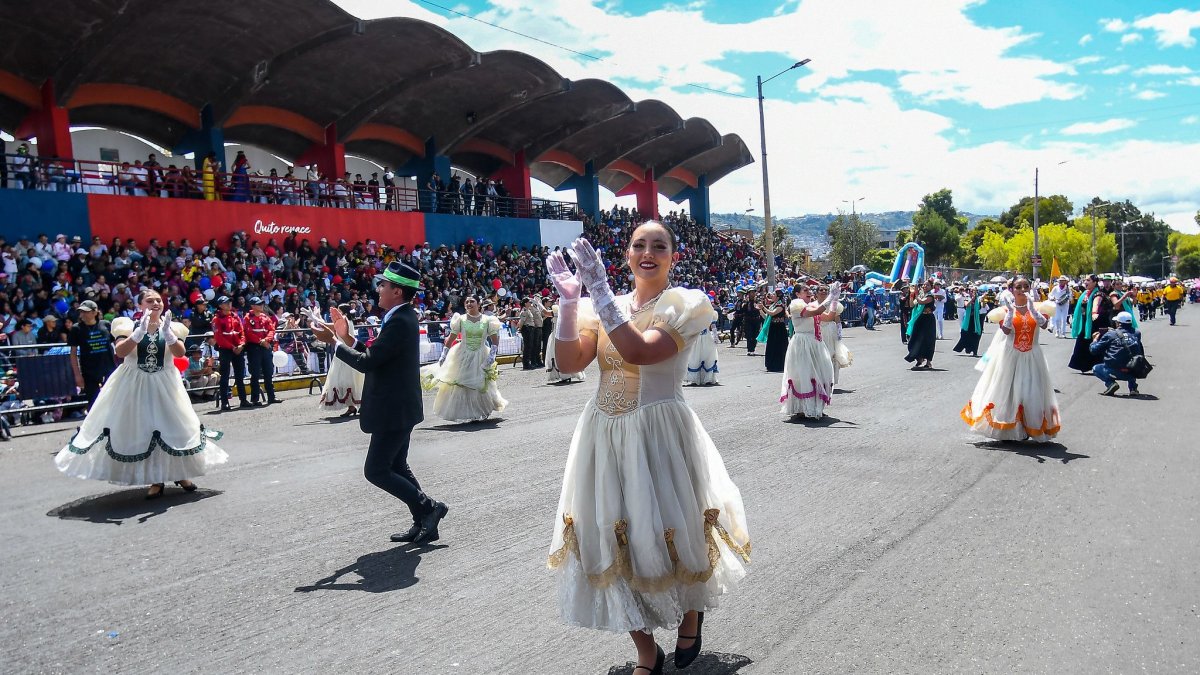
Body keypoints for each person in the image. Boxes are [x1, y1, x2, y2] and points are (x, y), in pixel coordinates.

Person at [544, 226, 750, 674]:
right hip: (603, 435)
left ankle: (691, 610)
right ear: (627, 254)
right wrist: (569, 303)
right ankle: (646, 651)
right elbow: (569, 363)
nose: (648, 252)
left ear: (673, 256)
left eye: (659, 246)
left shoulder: (683, 304)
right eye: (639, 244)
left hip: (659, 434)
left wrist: (598, 290)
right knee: (606, 536)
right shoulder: (606, 305)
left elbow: (639, 351)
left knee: (667, 530)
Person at [310, 261, 448, 545]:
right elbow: (377, 356)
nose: (379, 289)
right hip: (399, 406)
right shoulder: (401, 316)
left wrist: (334, 343)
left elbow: (368, 363)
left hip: (394, 408)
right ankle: (425, 521)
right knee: (396, 466)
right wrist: (345, 337)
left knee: (376, 470)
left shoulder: (400, 320)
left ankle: (429, 508)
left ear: (397, 291)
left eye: (383, 285)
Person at [54, 290, 228, 499]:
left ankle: (180, 474)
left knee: (174, 427)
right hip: (135, 383)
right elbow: (120, 352)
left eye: (158, 300)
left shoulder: (173, 326)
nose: (155, 303)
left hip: (166, 383)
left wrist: (168, 334)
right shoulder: (127, 325)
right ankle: (156, 479)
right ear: (140, 305)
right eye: (149, 300)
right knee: (146, 429)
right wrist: (138, 334)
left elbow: (180, 353)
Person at [962, 277, 1060, 442]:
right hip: (1010, 355)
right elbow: (1006, 330)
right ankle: (1008, 428)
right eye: (1018, 287)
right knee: (1008, 391)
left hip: (1032, 355)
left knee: (1030, 391)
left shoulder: (1040, 307)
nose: (1022, 290)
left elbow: (1044, 325)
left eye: (1026, 286)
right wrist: (1010, 311)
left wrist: (1032, 309)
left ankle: (1028, 427)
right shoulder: (1003, 310)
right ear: (1012, 290)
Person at [421, 296, 507, 423]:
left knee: (479, 383)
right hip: (462, 354)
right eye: (467, 302)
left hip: (481, 354)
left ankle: (480, 410)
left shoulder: (488, 320)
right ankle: (467, 411)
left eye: (472, 301)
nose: (469, 304)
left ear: (479, 304)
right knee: (462, 383)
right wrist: (444, 354)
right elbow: (451, 338)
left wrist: (492, 355)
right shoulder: (460, 319)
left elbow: (495, 340)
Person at [781, 284, 838, 419]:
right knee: (804, 374)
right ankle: (803, 408)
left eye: (809, 290)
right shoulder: (796, 304)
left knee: (819, 373)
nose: (809, 292)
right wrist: (830, 296)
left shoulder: (811, 306)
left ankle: (814, 407)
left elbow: (829, 317)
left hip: (815, 343)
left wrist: (835, 300)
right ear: (797, 294)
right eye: (805, 290)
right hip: (803, 343)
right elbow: (815, 312)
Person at [68, 300, 116, 411]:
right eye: (81, 312)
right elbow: (73, 353)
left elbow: (117, 344)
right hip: (89, 371)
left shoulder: (106, 325)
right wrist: (77, 375)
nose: (82, 315)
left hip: (108, 368)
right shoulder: (76, 329)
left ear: (95, 312)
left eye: (86, 312)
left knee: (112, 399)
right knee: (93, 403)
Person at [317, 304, 364, 417]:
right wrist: (317, 317)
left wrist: (315, 318)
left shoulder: (344, 319)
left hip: (345, 353)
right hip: (344, 353)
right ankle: (352, 406)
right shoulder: (347, 320)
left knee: (344, 380)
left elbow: (329, 326)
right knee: (348, 380)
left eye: (339, 310)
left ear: (343, 312)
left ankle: (354, 406)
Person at [1090, 311, 1145, 396]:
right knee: (1131, 358)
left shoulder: (1110, 334)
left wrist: (1095, 340)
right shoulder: (1137, 333)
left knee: (1095, 368)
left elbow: (1094, 350)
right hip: (1133, 371)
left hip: (1114, 370)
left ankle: (1110, 383)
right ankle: (1133, 388)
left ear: (1118, 323)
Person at [213, 296, 250, 411]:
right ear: (220, 305)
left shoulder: (235, 316)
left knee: (240, 376)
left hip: (238, 349)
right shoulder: (216, 319)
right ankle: (225, 402)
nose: (229, 304)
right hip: (225, 350)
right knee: (225, 376)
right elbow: (218, 337)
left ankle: (243, 400)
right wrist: (232, 347)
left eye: (229, 302)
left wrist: (241, 345)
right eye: (226, 303)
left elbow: (242, 332)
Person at [1068, 275, 1111, 373]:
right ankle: (1083, 365)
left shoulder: (1098, 294)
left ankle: (1099, 366)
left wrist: (1094, 312)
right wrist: (1075, 321)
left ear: (1095, 282)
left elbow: (1096, 303)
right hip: (1085, 322)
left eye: (1088, 280)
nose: (1085, 282)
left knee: (1096, 343)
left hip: (1096, 323)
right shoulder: (1085, 294)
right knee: (1082, 343)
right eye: (1085, 280)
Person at [243, 297, 278, 406]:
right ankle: (255, 399)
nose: (261, 305)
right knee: (255, 374)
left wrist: (266, 340)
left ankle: (271, 397)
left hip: (265, 347)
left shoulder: (265, 317)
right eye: (259, 304)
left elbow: (272, 330)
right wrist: (261, 341)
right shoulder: (247, 318)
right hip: (254, 348)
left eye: (262, 304)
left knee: (269, 372)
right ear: (252, 306)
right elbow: (248, 333)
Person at [816, 284, 852, 385]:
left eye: (826, 290)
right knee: (819, 355)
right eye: (821, 290)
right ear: (816, 293)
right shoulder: (814, 305)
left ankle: (830, 380)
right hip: (818, 330)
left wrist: (839, 331)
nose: (823, 292)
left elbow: (837, 319)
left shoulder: (833, 304)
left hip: (831, 331)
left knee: (831, 354)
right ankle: (820, 379)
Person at [545, 302, 586, 384]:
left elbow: (546, 313)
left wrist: (538, 304)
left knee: (560, 354)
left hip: (559, 335)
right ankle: (567, 374)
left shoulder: (559, 310)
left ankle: (565, 375)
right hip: (565, 334)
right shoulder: (568, 310)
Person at [904, 279, 937, 369]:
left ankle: (928, 363)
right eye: (924, 285)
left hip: (928, 319)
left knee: (928, 340)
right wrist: (912, 295)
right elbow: (912, 305)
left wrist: (916, 293)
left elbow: (922, 301)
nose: (925, 286)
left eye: (927, 285)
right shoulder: (921, 295)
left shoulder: (930, 296)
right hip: (920, 318)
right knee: (916, 338)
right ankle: (920, 358)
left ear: (931, 287)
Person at [683, 311, 720, 385]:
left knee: (704, 357)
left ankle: (706, 379)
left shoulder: (710, 314)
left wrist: (716, 337)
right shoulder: (693, 314)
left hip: (705, 339)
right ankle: (696, 379)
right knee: (695, 358)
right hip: (697, 339)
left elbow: (713, 326)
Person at [759, 290, 788, 373]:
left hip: (779, 328)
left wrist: (763, 307)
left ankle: (779, 366)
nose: (772, 295)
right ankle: (771, 365)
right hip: (773, 327)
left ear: (778, 296)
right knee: (771, 346)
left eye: (774, 294)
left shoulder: (780, 305)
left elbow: (772, 313)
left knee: (779, 347)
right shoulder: (773, 305)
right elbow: (767, 317)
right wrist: (760, 310)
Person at [952, 286, 984, 357]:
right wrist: (972, 299)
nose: (973, 292)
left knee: (976, 335)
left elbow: (981, 307)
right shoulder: (967, 298)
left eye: (975, 291)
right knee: (965, 334)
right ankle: (967, 348)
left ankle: (975, 351)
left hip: (975, 319)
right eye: (972, 291)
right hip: (968, 319)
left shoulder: (978, 299)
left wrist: (983, 301)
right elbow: (966, 305)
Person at [519, 297, 543, 370]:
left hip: (530, 329)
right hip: (527, 329)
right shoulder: (524, 311)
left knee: (530, 346)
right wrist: (520, 329)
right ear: (525, 303)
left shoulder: (528, 310)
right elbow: (521, 322)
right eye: (529, 302)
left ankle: (528, 363)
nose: (530, 303)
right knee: (527, 346)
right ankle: (526, 364)